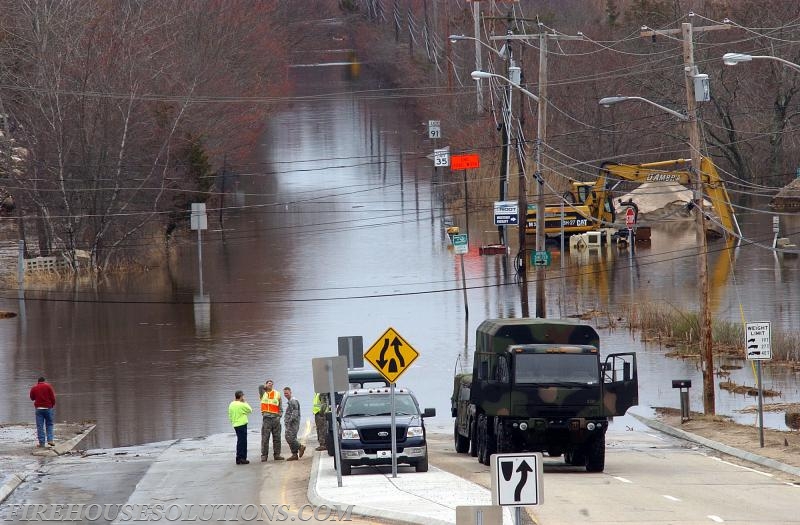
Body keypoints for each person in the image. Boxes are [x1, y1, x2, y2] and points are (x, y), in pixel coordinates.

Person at [259, 379, 284, 461]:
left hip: (275, 418)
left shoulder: (277, 393)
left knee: (277, 438)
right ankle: (264, 456)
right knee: (265, 438)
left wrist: (279, 416)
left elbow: (280, 406)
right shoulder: (263, 393)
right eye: (269, 384)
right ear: (266, 385)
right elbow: (260, 386)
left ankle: (277, 455)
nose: (270, 385)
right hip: (266, 418)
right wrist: (266, 387)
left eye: (271, 384)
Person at [29, 377, 56, 448]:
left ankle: (42, 443)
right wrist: (52, 405)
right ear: (44, 381)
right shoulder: (48, 386)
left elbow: (32, 398)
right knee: (49, 424)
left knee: (40, 426)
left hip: (38, 409)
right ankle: (50, 440)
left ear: (38, 382)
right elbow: (52, 397)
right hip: (48, 408)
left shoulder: (34, 388)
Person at [228, 390, 252, 465]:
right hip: (242, 424)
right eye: (243, 396)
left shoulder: (231, 404)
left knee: (239, 441)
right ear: (241, 396)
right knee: (243, 441)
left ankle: (238, 458)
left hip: (235, 424)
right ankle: (242, 458)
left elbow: (230, 414)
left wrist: (232, 422)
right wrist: (245, 402)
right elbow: (250, 410)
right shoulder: (241, 404)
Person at [283, 387, 305, 461]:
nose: (285, 395)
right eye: (284, 393)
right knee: (291, 437)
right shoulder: (290, 401)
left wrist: (289, 422)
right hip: (291, 423)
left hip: (292, 424)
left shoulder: (293, 401)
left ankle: (300, 447)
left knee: (289, 437)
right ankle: (294, 454)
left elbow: (295, 413)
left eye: (287, 393)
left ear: (290, 392)